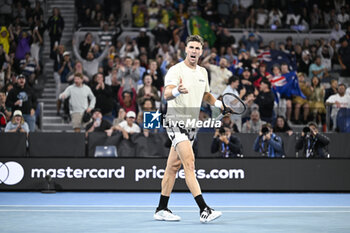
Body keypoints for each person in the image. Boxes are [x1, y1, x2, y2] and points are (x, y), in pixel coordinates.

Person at [154, 35, 223, 223]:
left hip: (192, 126)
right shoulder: (175, 70)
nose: (194, 51)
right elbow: (166, 93)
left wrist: (217, 103)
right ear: (186, 49)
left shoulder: (202, 72)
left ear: (201, 51)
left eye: (197, 48)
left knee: (172, 167)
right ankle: (204, 209)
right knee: (189, 163)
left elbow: (206, 94)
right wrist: (177, 90)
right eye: (191, 47)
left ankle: (161, 208)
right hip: (175, 122)